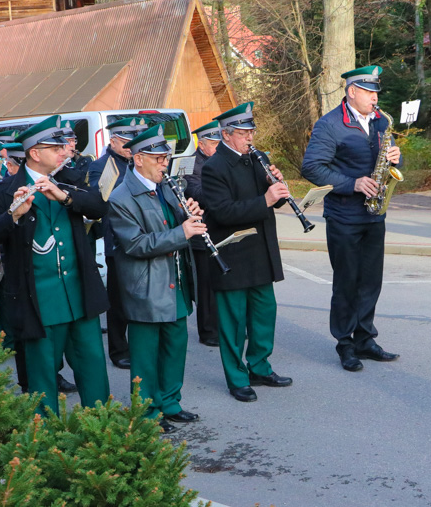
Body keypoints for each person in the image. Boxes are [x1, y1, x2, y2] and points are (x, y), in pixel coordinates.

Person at [0, 116, 110, 416]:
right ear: (35, 153)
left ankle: (103, 431)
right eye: (56, 147)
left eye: (65, 146)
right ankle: (47, 439)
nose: (65, 151)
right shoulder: (3, 190)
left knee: (92, 367)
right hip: (37, 301)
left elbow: (100, 206)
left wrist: (63, 196)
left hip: (80, 295)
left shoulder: (70, 179)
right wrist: (13, 214)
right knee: (42, 374)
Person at [300, 66, 402, 372]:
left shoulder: (382, 121)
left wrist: (396, 157)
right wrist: (353, 183)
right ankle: (345, 344)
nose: (375, 99)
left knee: (371, 281)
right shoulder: (329, 125)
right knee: (347, 282)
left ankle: (365, 338)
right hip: (344, 216)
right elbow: (312, 167)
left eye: (376, 94)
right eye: (369, 93)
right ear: (352, 92)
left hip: (374, 213)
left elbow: (388, 158)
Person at [108, 124, 203, 433]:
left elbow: (171, 222)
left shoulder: (164, 185)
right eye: (159, 157)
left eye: (166, 157)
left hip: (175, 279)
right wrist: (182, 232)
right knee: (146, 357)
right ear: (138, 159)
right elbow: (134, 244)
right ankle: (147, 414)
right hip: (146, 286)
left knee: (175, 346)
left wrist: (187, 214)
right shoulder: (122, 197)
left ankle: (171, 403)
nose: (165, 163)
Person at [201, 102, 293, 403]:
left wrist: (278, 191)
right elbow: (222, 212)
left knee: (265, 314)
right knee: (233, 323)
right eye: (243, 133)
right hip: (234, 255)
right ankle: (237, 377)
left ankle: (260, 367)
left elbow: (270, 200)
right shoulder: (214, 166)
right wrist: (266, 199)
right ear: (227, 135)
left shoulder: (258, 157)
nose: (249, 137)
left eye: (251, 131)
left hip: (261, 250)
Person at [87, 117, 149, 370]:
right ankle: (118, 349)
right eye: (125, 142)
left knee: (139, 297)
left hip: (144, 236)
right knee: (118, 301)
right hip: (117, 240)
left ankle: (139, 346)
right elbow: (98, 201)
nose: (130, 147)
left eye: (134, 142)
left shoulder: (139, 163)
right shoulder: (101, 166)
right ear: (112, 141)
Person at [183, 120, 222, 347]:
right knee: (206, 286)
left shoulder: (222, 162)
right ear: (203, 143)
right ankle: (208, 331)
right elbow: (194, 191)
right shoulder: (190, 163)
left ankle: (226, 327)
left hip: (222, 229)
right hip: (201, 231)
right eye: (216, 143)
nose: (219, 147)